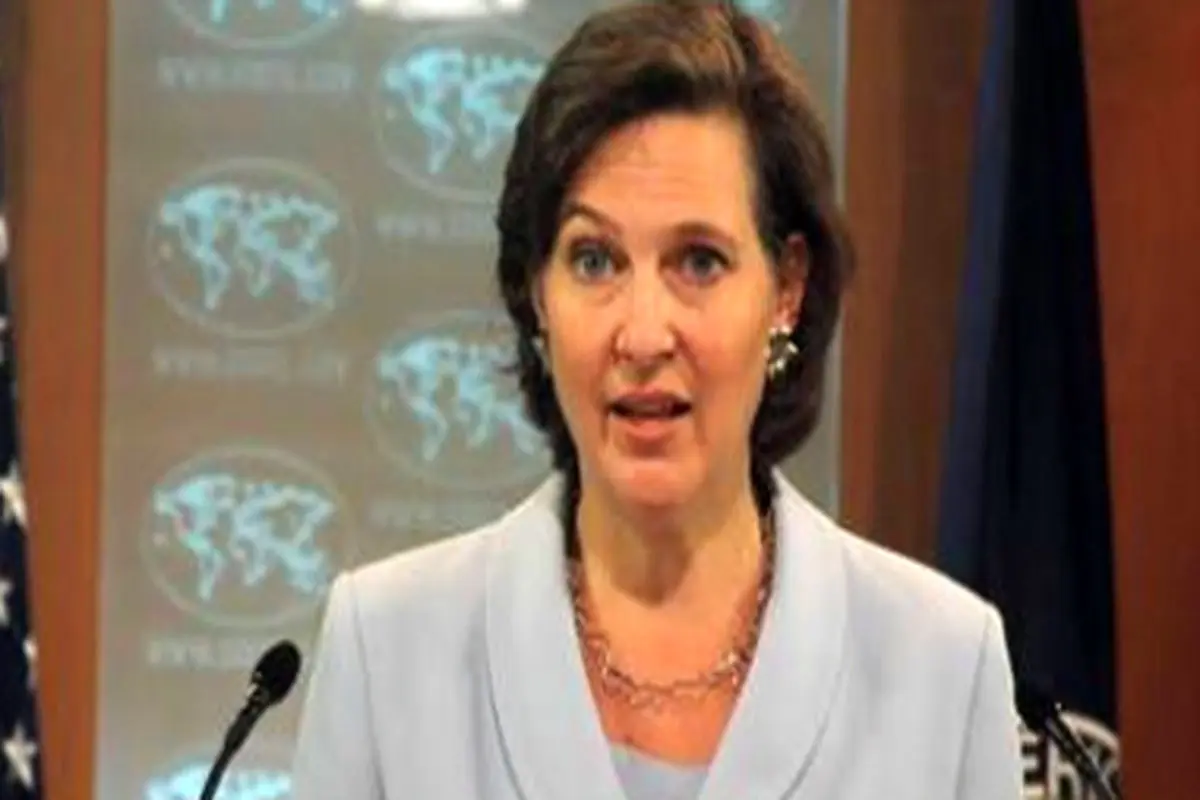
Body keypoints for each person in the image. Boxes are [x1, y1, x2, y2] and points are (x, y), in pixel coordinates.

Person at [290, 1, 1022, 797]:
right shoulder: (385, 653)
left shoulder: (944, 668)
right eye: (595, 261)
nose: (643, 336)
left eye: (698, 262)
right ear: (536, 294)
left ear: (786, 288)